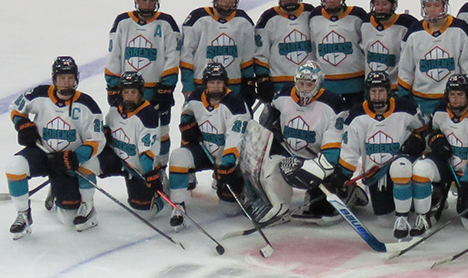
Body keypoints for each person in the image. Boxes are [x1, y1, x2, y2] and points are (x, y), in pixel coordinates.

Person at [6, 56, 106, 238]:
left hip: (68, 162)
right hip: (42, 153)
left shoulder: (87, 105)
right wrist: (22, 124)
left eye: (69, 78)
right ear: (54, 79)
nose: (66, 82)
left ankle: (87, 207)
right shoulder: (39, 94)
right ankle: (23, 216)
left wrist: (75, 157)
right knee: (15, 166)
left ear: (76, 79)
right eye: (61, 78)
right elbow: (15, 107)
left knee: (69, 219)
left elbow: (97, 140)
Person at [334, 70, 430, 239]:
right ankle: (358, 195)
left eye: (381, 91)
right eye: (373, 91)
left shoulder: (406, 108)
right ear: (367, 93)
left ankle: (423, 207)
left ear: (388, 92)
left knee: (404, 168)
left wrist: (418, 139)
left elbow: (424, 129)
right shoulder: (357, 115)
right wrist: (342, 174)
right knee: (385, 221)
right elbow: (350, 149)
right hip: (377, 174)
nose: (377, 96)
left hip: (404, 166)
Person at [105, 0, 179, 175]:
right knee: (124, 131)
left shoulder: (166, 23)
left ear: (157, 1)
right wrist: (113, 85)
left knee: (161, 132)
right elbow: (114, 55)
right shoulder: (123, 22)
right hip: (128, 91)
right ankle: (127, 167)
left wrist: (167, 87)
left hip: (156, 90)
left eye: (151, 0)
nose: (147, 4)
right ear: (137, 0)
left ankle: (159, 169)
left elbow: (172, 55)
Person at [258, 61, 346, 225]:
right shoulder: (284, 95)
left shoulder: (332, 104)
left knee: (321, 207)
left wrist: (318, 170)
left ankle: (339, 191)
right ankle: (279, 206)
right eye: (301, 83)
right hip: (291, 155)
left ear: (318, 83)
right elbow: (269, 119)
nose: (304, 87)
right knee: (269, 166)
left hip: (318, 158)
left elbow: (334, 147)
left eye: (309, 83)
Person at [169, 62, 249, 211]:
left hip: (230, 160)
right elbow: (187, 111)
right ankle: (177, 206)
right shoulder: (196, 96)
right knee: (178, 156)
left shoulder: (235, 103)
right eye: (212, 82)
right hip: (203, 149)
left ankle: (247, 190)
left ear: (225, 83)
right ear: (206, 83)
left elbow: (235, 137)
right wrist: (186, 123)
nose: (215, 86)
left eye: (219, 82)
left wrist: (227, 163)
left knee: (229, 210)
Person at [397, 0, 468, 116]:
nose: (432, 9)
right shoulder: (413, 32)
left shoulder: (461, 30)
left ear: (444, 5)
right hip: (420, 100)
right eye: (428, 5)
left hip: (453, 102)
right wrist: (404, 98)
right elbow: (406, 69)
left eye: (436, 5)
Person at [423, 74, 468, 227]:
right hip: (447, 166)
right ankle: (435, 196)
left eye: (460, 94)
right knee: (421, 169)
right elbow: (429, 133)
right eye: (452, 94)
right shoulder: (440, 110)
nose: (456, 99)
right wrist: (436, 139)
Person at [98, 72, 165, 215]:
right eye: (126, 92)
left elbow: (147, 155)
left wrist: (151, 175)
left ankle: (161, 189)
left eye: (133, 92)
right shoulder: (114, 109)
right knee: (81, 161)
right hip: (118, 160)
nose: (129, 95)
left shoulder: (148, 115)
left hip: (138, 169)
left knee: (145, 213)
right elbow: (108, 133)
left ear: (140, 93)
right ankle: (82, 201)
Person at [181, 0, 258, 100]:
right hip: (202, 86)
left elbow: (247, 58)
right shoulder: (197, 19)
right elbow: (186, 56)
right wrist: (188, 86)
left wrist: (248, 84)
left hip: (233, 86)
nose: (227, 1)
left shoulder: (244, 21)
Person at [254, 0, 315, 105]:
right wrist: (263, 79)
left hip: (310, 84)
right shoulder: (268, 18)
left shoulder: (311, 14)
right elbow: (260, 54)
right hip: (280, 86)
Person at [309, 0, 368, 106]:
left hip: (356, 84)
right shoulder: (315, 17)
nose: (332, 0)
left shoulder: (357, 16)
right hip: (327, 84)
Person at [359, 0, 417, 82]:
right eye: (377, 4)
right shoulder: (366, 23)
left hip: (395, 88)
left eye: (384, 4)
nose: (380, 8)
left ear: (393, 5)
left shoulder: (406, 24)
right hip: (371, 89)